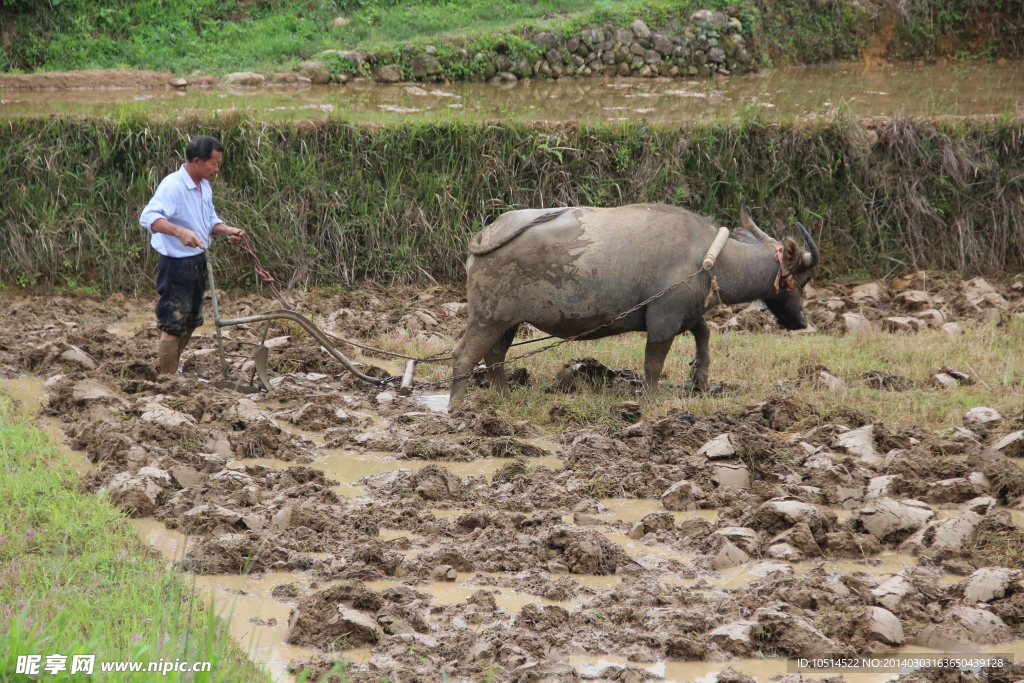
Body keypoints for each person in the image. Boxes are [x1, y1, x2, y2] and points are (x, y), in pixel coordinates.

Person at [139, 135, 245, 374]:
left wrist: (227, 230)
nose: (217, 169)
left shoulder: (203, 186)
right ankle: (168, 381)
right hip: (176, 264)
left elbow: (208, 221)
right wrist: (179, 232)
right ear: (198, 161)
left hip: (197, 261)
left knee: (192, 321)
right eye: (214, 164)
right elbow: (149, 217)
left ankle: (171, 368)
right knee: (173, 322)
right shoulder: (173, 185)